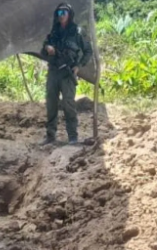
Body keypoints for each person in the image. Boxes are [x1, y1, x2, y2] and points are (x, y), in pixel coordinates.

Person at [40, 2, 94, 145]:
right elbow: (42, 50)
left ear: (69, 15)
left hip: (67, 73)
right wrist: (48, 48)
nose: (61, 15)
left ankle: (72, 137)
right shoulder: (53, 32)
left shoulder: (77, 32)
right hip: (53, 71)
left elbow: (88, 51)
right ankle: (50, 135)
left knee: (68, 104)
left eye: (64, 13)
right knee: (51, 103)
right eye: (59, 13)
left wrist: (79, 66)